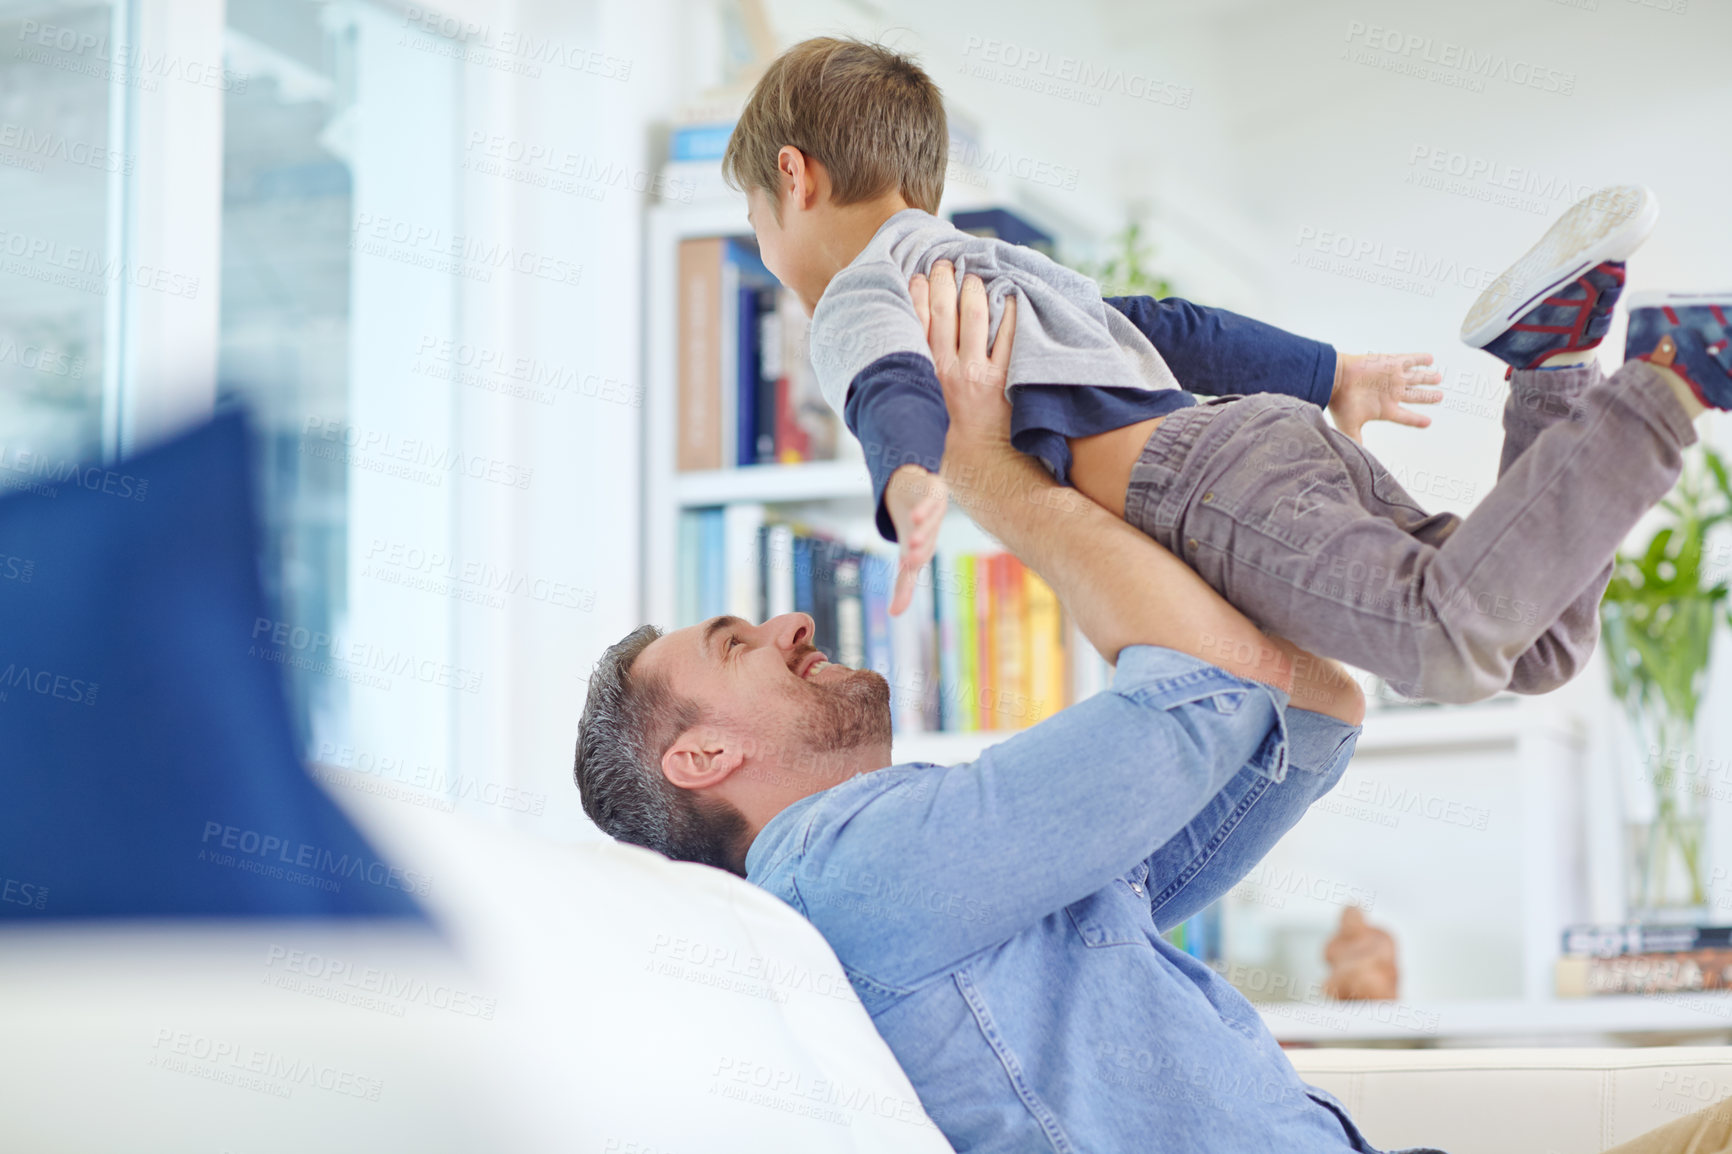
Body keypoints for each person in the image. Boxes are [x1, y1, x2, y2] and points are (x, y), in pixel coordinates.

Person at [574, 269, 1731, 1152]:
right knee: (1472, 630)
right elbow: (1218, 690)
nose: (791, 626)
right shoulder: (845, 870)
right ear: (702, 753)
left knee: (1506, 641)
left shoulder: (962, 877)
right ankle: (1647, 381)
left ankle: (1559, 368)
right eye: (737, 644)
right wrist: (991, 475)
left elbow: (1312, 708)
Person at [721, 36, 1727, 703]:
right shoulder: (1000, 261)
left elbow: (886, 382)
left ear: (793, 177)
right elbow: (1171, 323)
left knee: (1442, 639)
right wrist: (1325, 371)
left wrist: (905, 475)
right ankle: (1552, 364)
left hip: (1204, 486)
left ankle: (1667, 380)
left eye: (756, 225)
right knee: (1535, 646)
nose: (768, 243)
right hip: (1257, 442)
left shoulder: (858, 288)